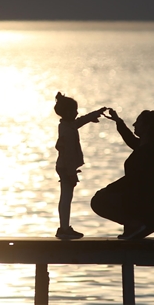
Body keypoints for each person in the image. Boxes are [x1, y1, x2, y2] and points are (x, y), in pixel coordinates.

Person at [91, 108, 154, 240]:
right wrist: (118, 121)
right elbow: (130, 140)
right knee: (120, 199)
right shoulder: (148, 147)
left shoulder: (146, 152)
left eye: (138, 122)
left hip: (152, 202)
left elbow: (132, 181)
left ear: (147, 127)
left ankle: (141, 225)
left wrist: (108, 189)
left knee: (98, 201)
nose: (134, 125)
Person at [53, 92, 108, 239]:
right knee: (66, 198)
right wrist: (71, 173)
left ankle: (64, 227)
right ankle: (64, 228)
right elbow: (68, 154)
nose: (77, 113)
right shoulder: (67, 131)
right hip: (66, 167)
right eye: (74, 110)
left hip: (64, 167)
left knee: (65, 197)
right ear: (67, 112)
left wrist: (94, 114)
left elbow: (80, 121)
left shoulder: (67, 125)